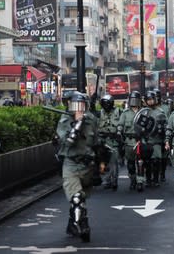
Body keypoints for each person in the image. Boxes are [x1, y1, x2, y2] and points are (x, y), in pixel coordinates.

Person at [54, 91, 97, 242]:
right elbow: (66, 142)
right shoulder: (65, 120)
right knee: (77, 197)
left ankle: (72, 224)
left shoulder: (92, 120)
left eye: (82, 106)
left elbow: (96, 142)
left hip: (87, 165)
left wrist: (101, 162)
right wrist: (77, 124)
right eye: (76, 105)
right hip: (71, 163)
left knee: (82, 198)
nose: (79, 109)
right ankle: (81, 226)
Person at [119, 91, 144, 191]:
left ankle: (140, 181)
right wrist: (119, 130)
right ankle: (133, 180)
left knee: (140, 163)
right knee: (130, 163)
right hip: (129, 142)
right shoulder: (125, 113)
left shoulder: (144, 112)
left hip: (141, 141)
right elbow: (120, 124)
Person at [96, 94, 122, 190]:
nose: (106, 106)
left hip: (113, 140)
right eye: (104, 104)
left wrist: (119, 133)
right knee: (102, 161)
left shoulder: (118, 112)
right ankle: (106, 180)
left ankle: (113, 181)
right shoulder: (99, 113)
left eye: (107, 104)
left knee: (113, 161)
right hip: (102, 141)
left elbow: (121, 123)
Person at [145, 90, 167, 186]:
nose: (150, 102)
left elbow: (166, 126)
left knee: (156, 160)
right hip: (145, 140)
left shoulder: (160, 112)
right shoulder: (143, 112)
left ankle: (156, 179)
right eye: (148, 100)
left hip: (156, 140)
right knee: (147, 161)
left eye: (151, 99)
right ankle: (148, 179)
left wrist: (165, 139)